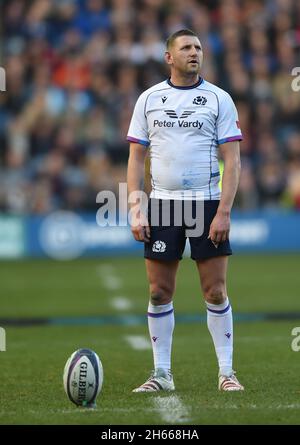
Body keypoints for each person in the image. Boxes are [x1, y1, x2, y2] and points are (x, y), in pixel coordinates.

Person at [126, 29, 244, 392]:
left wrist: (224, 210)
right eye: (186, 48)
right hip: (162, 205)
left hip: (207, 202)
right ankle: (161, 374)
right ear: (169, 57)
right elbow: (135, 157)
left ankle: (227, 373)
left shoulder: (219, 99)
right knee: (159, 292)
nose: (195, 52)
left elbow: (233, 160)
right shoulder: (148, 99)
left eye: (198, 47)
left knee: (215, 291)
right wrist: (135, 206)